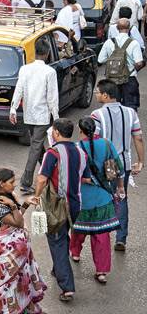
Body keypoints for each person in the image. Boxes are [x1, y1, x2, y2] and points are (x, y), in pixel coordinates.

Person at [32, 118, 92, 303]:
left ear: (56, 133)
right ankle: (58, 267)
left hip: (56, 205)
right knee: (62, 235)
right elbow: (87, 179)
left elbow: (42, 179)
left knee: (56, 240)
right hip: (75, 204)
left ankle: (67, 287)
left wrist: (36, 196)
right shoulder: (81, 153)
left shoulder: (53, 153)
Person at [91, 79, 144, 251]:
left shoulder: (97, 115)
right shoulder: (130, 113)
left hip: (107, 163)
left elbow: (95, 141)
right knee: (122, 198)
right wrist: (141, 161)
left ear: (106, 95)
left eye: (98, 92)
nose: (96, 95)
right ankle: (121, 238)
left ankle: (102, 234)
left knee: (104, 198)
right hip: (124, 162)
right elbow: (138, 137)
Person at [0, 168, 46, 314]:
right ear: (1, 183)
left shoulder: (7, 195)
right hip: (6, 255)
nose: (15, 185)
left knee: (22, 283)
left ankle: (25, 308)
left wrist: (25, 204)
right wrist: (13, 205)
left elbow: (16, 218)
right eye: (12, 182)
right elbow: (17, 223)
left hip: (17, 253)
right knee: (10, 287)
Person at [71, 117, 124, 284]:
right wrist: (120, 188)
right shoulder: (107, 144)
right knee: (102, 236)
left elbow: (72, 174)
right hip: (103, 197)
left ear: (80, 131)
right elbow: (117, 170)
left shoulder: (77, 148)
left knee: (78, 230)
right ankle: (101, 271)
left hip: (82, 199)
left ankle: (75, 252)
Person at [10, 40, 59, 194]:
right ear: (47, 53)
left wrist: (13, 109)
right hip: (42, 115)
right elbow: (52, 97)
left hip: (28, 113)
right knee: (35, 147)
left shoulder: (25, 69)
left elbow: (19, 90)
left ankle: (49, 171)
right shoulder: (50, 72)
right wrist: (56, 118)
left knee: (37, 146)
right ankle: (26, 182)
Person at [98, 18, 144, 111]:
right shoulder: (134, 43)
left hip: (112, 80)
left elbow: (100, 59)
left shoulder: (109, 42)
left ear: (117, 28)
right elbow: (139, 63)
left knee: (112, 107)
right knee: (131, 108)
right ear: (129, 28)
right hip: (129, 79)